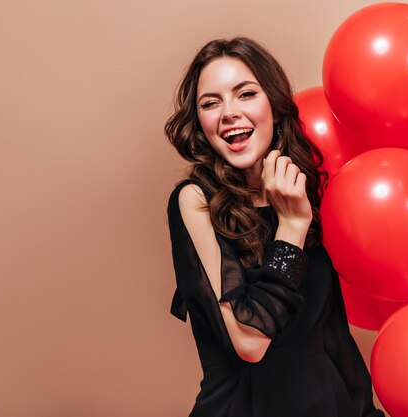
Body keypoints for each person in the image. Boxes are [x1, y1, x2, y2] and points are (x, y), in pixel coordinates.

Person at [164, 37, 384, 417]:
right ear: (200, 123)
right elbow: (250, 341)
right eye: (211, 103)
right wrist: (292, 227)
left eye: (245, 94)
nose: (228, 112)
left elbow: (331, 338)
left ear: (275, 106)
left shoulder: (307, 189)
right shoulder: (194, 200)